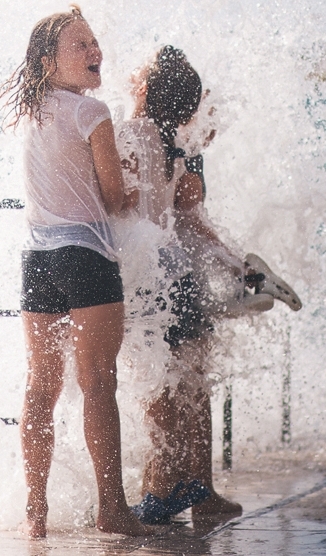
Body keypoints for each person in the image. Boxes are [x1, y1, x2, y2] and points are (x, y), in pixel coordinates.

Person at [0, 5, 148, 540]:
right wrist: (134, 186)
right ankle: (113, 510)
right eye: (80, 45)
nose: (94, 52)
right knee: (98, 384)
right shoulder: (92, 112)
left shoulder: (29, 110)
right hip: (84, 254)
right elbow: (114, 198)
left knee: (41, 386)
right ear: (49, 62)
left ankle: (35, 512)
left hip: (37, 259)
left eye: (94, 42)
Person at [114, 47, 256, 525]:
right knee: (191, 384)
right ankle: (196, 488)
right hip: (183, 275)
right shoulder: (174, 146)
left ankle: (160, 491)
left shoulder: (130, 134)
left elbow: (118, 203)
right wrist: (235, 263)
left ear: (143, 88)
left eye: (139, 70)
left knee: (159, 388)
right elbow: (191, 219)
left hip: (151, 275)